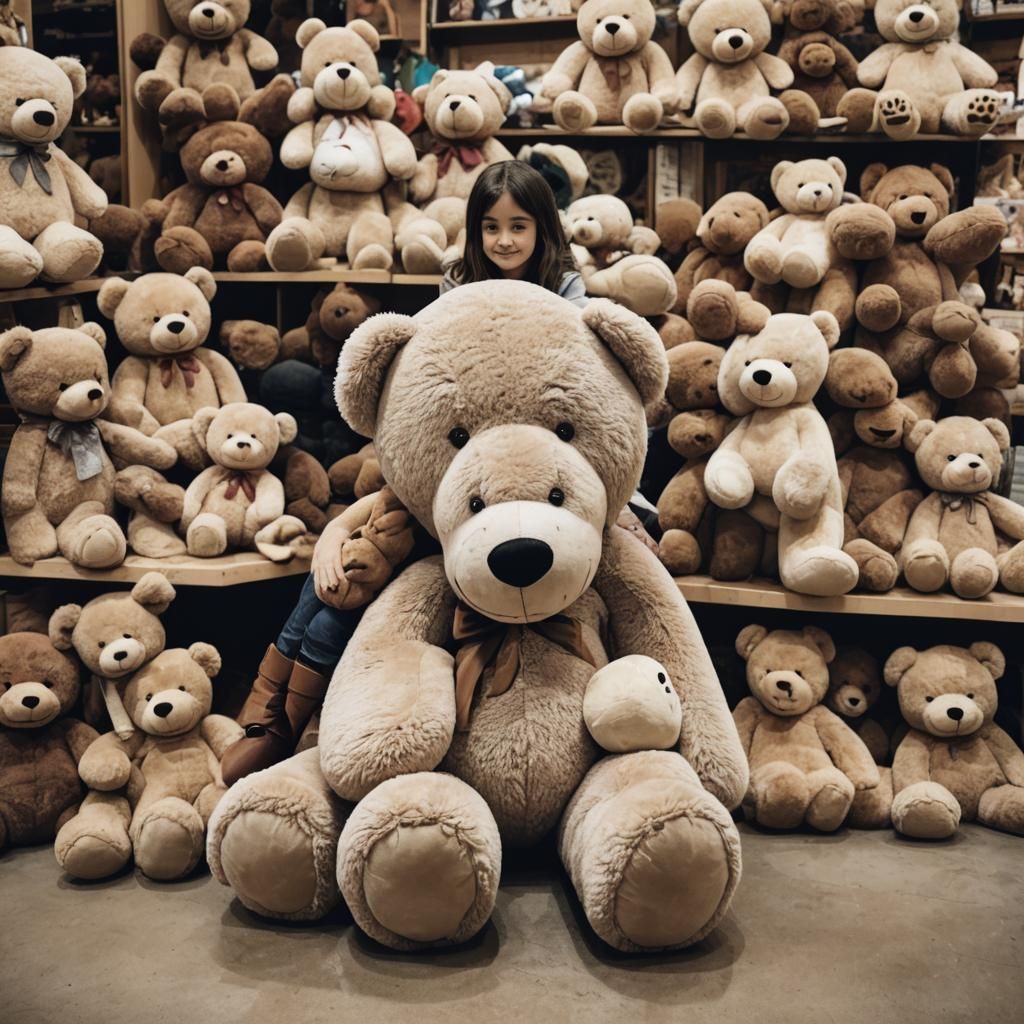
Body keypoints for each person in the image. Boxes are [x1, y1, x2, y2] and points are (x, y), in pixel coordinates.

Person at [440, 159, 588, 307]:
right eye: (491, 228)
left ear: (542, 227)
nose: (504, 242)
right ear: (477, 231)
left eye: (518, 227)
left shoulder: (564, 284)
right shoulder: (457, 281)